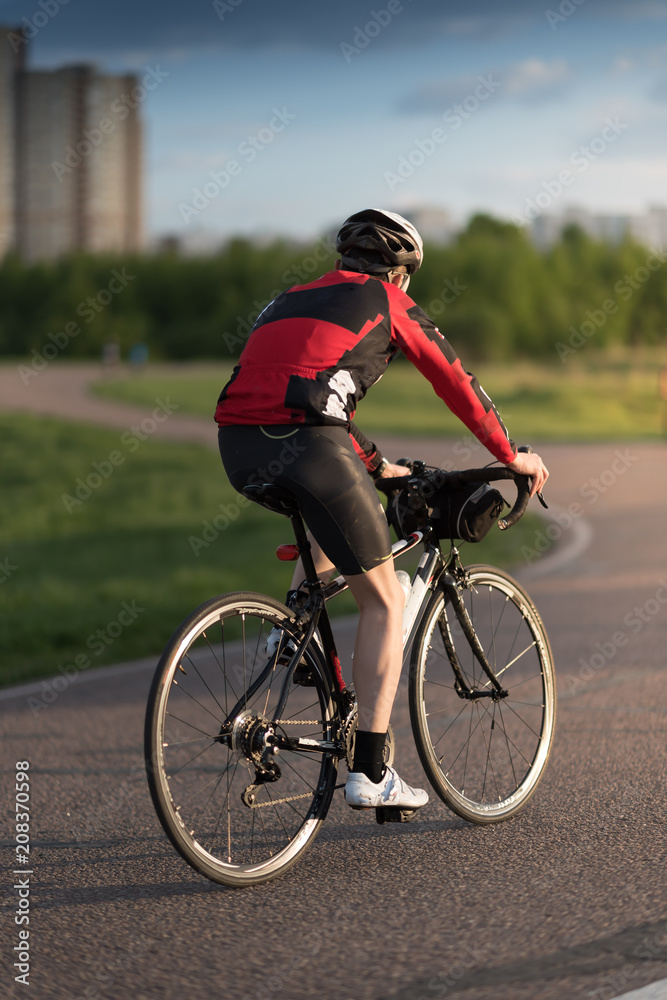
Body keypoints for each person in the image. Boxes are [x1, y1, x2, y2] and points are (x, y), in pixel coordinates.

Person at [215, 208, 548, 814]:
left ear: (343, 259)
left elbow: (305, 388)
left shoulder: (287, 299)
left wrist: (374, 464)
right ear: (402, 273)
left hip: (237, 445)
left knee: (325, 526)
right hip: (311, 443)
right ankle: (371, 770)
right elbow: (457, 382)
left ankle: (288, 645)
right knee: (386, 600)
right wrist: (510, 454)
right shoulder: (388, 302)